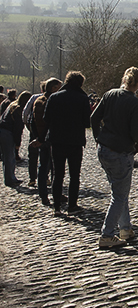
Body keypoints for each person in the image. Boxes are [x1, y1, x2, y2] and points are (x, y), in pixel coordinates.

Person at [91, 66, 138, 249]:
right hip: (120, 152)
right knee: (119, 195)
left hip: (104, 149)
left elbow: (93, 117)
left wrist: (98, 137)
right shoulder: (134, 102)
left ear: (124, 79)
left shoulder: (109, 94)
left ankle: (125, 229)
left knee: (119, 191)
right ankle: (107, 235)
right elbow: (134, 131)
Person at [44, 71, 92, 214]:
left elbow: (46, 119)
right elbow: (86, 122)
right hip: (75, 141)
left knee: (58, 175)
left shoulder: (54, 97)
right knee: (74, 175)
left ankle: (57, 207)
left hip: (57, 140)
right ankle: (72, 206)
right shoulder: (82, 98)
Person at [31, 77, 63, 206]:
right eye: (59, 88)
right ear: (54, 88)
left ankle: (44, 194)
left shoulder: (37, 101)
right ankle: (56, 194)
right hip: (52, 138)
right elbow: (52, 122)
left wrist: (37, 137)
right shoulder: (55, 101)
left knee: (43, 167)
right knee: (55, 168)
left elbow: (31, 120)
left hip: (41, 138)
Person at [0, 91, 31, 187]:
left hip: (2, 129)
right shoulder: (19, 110)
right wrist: (18, 143)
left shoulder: (12, 105)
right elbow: (18, 128)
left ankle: (10, 177)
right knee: (10, 157)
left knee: (7, 157)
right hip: (7, 132)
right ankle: (10, 179)